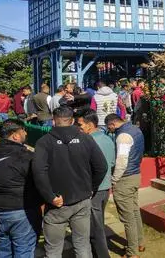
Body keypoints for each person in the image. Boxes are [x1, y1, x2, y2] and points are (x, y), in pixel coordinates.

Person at [32, 106, 108, 258]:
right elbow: (102, 167)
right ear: (72, 120)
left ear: (53, 121)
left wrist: (50, 196)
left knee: (53, 250)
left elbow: (38, 173)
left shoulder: (44, 142)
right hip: (81, 200)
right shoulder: (86, 138)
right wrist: (91, 188)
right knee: (82, 245)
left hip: (57, 203)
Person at [0, 119, 42, 257]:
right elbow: (39, 182)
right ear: (15, 135)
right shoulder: (26, 156)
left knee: (4, 249)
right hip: (21, 211)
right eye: (23, 130)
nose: (26, 133)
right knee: (24, 250)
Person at [106, 113, 146, 256]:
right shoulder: (136, 129)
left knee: (127, 217)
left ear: (112, 124)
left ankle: (132, 251)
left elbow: (122, 161)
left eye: (109, 128)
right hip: (135, 174)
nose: (109, 130)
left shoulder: (122, 136)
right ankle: (140, 243)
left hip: (125, 178)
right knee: (134, 212)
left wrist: (114, 179)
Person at [77, 110, 115, 258]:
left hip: (94, 189)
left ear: (90, 125)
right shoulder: (108, 139)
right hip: (105, 188)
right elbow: (111, 162)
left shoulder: (88, 142)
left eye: (81, 125)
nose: (79, 127)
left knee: (95, 229)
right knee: (97, 224)